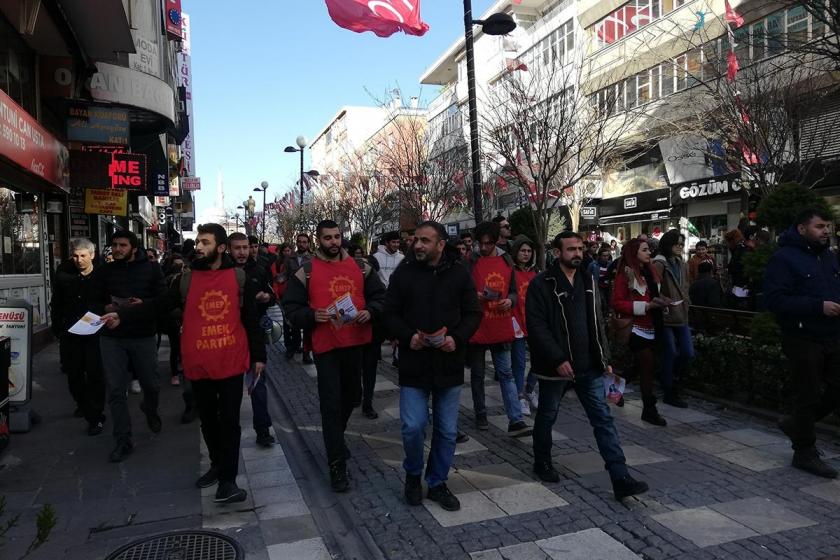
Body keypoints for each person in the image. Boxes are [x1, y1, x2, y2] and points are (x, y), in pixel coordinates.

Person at [104, 223, 266, 502]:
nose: (199, 246)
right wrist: (124, 316)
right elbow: (158, 306)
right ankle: (217, 465)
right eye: (199, 241)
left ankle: (228, 481)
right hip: (198, 360)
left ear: (221, 247)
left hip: (230, 360)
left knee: (229, 421)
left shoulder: (239, 278)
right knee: (208, 420)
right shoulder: (185, 280)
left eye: (205, 242)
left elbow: (251, 320)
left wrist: (259, 357)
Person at [527, 231, 649, 500]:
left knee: (603, 420)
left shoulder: (588, 279)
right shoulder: (542, 284)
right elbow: (536, 327)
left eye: (580, 248)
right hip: (555, 367)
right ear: (557, 253)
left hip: (589, 365)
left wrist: (604, 359)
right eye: (571, 249)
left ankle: (620, 477)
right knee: (547, 415)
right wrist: (557, 359)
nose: (577, 253)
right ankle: (542, 461)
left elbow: (597, 321)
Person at [383, 221, 482, 511]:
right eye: (416, 240)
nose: (418, 245)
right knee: (413, 426)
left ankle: (437, 481)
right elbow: (389, 313)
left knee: (447, 431)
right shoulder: (404, 272)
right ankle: (413, 475)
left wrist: (457, 338)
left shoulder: (459, 273)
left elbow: (473, 314)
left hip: (448, 364)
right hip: (415, 364)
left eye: (425, 240)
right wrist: (408, 336)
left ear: (440, 244)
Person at [282, 220, 386, 492]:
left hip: (355, 343)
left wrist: (371, 311)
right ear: (319, 240)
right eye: (327, 238)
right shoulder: (307, 271)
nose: (333, 242)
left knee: (353, 396)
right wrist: (311, 316)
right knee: (331, 403)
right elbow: (291, 308)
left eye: (337, 237)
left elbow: (382, 298)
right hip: (326, 346)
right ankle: (336, 464)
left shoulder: (361, 267)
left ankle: (335, 440)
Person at [766, 208, 840, 479]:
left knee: (835, 389)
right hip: (802, 336)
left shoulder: (828, 256)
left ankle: (796, 424)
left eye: (827, 226)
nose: (826, 231)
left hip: (832, 333)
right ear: (802, 228)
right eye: (820, 226)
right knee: (807, 394)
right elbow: (775, 301)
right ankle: (804, 452)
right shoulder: (784, 259)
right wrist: (818, 306)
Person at [90, 230, 164, 463]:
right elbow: (92, 299)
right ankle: (123, 439)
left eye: (122, 245)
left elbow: (162, 300)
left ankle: (150, 408)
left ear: (134, 247)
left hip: (142, 335)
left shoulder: (151, 268)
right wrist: (106, 308)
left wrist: (144, 304)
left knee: (151, 384)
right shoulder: (104, 271)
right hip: (112, 336)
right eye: (114, 245)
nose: (117, 249)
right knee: (115, 389)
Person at [467, 221, 530, 436]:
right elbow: (460, 288)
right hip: (477, 325)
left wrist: (510, 302)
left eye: (489, 243)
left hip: (500, 323)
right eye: (481, 243)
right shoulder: (470, 261)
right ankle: (481, 413)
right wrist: (472, 296)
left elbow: (513, 291)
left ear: (496, 241)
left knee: (506, 372)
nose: (484, 247)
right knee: (478, 373)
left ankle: (515, 419)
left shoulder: (506, 259)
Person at [51, 238, 106, 436]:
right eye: (75, 255)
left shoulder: (102, 276)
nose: (79, 259)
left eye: (83, 255)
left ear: (92, 255)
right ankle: (85, 406)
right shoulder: (63, 275)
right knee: (74, 376)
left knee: (95, 376)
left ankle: (95, 416)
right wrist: (58, 328)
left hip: (96, 333)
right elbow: (55, 304)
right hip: (70, 334)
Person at [612, 239, 669, 426]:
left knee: (642, 367)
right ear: (634, 252)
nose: (649, 253)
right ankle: (649, 409)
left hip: (653, 325)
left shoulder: (651, 271)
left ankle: (615, 386)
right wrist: (645, 306)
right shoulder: (625, 274)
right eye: (644, 250)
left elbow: (653, 295)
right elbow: (617, 302)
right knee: (647, 367)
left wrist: (662, 302)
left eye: (649, 250)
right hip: (635, 327)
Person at [229, 232, 276, 447]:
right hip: (228, 337)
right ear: (228, 249)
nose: (242, 252)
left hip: (253, 334)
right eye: (237, 248)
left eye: (245, 247)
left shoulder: (258, 269)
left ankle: (263, 429)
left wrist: (267, 298)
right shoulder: (223, 272)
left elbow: (271, 293)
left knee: (258, 384)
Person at [652, 230, 693, 409]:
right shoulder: (659, 263)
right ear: (668, 244)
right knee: (670, 352)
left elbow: (685, 287)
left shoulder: (682, 264)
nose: (680, 247)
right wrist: (662, 301)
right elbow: (653, 289)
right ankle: (669, 390)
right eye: (677, 244)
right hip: (666, 314)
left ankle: (672, 380)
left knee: (687, 352)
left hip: (681, 313)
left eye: (682, 244)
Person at [510, 235, 537, 416]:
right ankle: (519, 396)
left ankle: (530, 388)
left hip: (535, 322)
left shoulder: (536, 272)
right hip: (516, 323)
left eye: (528, 251)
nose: (526, 254)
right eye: (522, 250)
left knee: (539, 359)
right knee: (519, 363)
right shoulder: (510, 272)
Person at [284, 233, 314, 362]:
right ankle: (293, 347)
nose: (301, 244)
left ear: (308, 243)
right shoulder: (290, 258)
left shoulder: (313, 258)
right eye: (299, 241)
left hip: (308, 294)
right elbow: (285, 274)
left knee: (308, 324)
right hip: (293, 293)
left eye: (304, 242)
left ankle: (307, 353)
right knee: (292, 323)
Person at [588, 245, 614, 314]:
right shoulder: (593, 265)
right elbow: (588, 275)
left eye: (607, 256)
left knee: (609, 301)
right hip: (598, 286)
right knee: (602, 302)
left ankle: (608, 315)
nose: (606, 258)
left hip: (608, 286)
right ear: (599, 256)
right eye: (604, 256)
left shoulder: (610, 264)